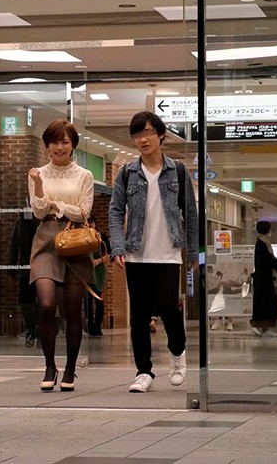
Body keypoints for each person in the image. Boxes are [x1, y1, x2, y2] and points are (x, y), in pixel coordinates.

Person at [108, 111, 198, 394]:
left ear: (160, 135)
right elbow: (115, 211)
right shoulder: (127, 173)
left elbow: (191, 213)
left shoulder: (178, 171)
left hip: (168, 253)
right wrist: (117, 245)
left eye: (147, 132)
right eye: (137, 135)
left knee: (169, 308)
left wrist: (194, 252)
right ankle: (143, 372)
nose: (142, 139)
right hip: (136, 253)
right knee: (139, 316)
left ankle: (177, 353)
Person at [28, 119, 94, 392]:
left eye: (65, 141)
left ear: (73, 145)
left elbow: (84, 211)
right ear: (47, 145)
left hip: (75, 241)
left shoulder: (84, 175)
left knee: (72, 309)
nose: (59, 147)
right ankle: (49, 366)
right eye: (54, 142)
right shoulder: (37, 174)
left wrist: (57, 205)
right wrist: (39, 186)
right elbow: (38, 211)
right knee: (45, 304)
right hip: (46, 241)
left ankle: (69, 369)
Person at [7, 204, 39, 347]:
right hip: (36, 268)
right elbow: (14, 247)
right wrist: (12, 270)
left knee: (28, 299)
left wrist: (12, 270)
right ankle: (35, 328)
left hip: (31, 268)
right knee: (31, 299)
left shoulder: (22, 223)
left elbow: (14, 247)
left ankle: (32, 328)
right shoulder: (36, 222)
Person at [249, 221, 277, 337]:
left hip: (263, 279)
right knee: (264, 303)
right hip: (263, 280)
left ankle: (264, 328)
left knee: (265, 303)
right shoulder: (262, 244)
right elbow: (268, 261)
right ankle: (259, 326)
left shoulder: (262, 243)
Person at [85, 216, 111, 337]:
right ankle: (90, 326)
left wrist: (98, 261)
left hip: (99, 271)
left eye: (92, 223)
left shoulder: (102, 238)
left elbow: (108, 255)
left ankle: (97, 326)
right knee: (87, 300)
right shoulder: (84, 237)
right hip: (87, 271)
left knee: (99, 299)